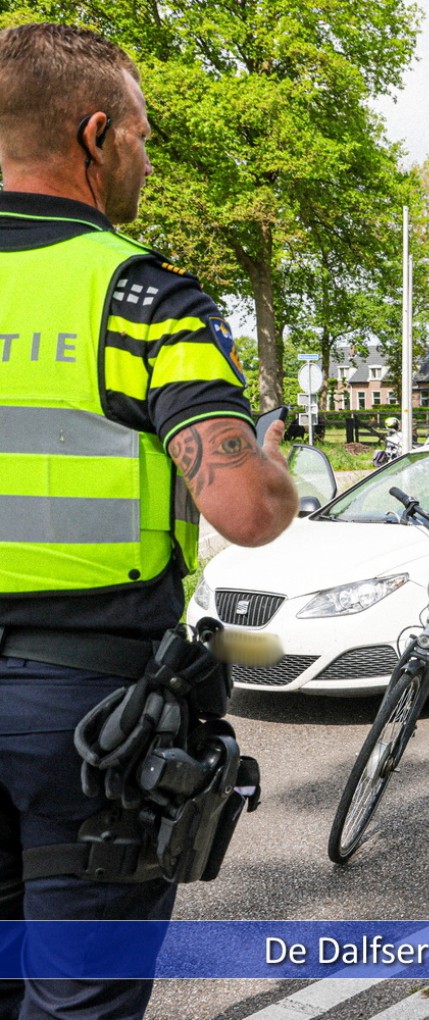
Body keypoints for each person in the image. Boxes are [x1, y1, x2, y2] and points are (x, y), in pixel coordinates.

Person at [0, 23, 297, 1019]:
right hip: (81, 717)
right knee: (76, 997)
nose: (147, 154)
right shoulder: (138, 296)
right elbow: (245, 511)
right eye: (142, 133)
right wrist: (272, 455)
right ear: (95, 137)